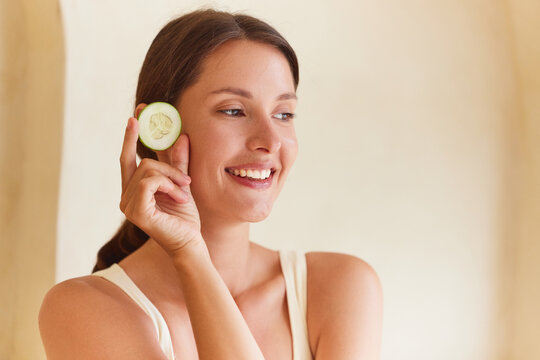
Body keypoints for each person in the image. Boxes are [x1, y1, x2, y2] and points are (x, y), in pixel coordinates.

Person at [38, 8, 383, 360]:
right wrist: (190, 254)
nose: (270, 140)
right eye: (233, 110)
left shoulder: (339, 287)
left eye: (284, 114)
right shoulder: (84, 309)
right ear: (160, 127)